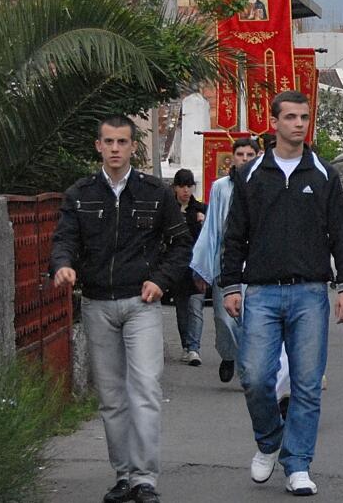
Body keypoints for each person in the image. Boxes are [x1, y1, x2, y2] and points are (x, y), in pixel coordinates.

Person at [220, 90, 343, 496]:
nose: (300, 124)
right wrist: (231, 283)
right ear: (275, 121)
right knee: (255, 377)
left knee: (306, 383)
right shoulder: (250, 175)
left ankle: (298, 463)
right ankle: (269, 441)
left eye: (304, 117)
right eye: (292, 117)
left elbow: (341, 233)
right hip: (261, 292)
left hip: (310, 292)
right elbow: (235, 235)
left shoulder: (323, 174)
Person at [50, 115, 191, 503]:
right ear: (98, 146)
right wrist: (63, 265)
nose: (115, 148)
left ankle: (145, 478)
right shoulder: (79, 194)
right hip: (97, 303)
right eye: (108, 142)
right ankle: (124, 474)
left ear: (133, 147)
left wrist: (160, 280)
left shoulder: (155, 193)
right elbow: (64, 239)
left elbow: (181, 246)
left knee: (144, 388)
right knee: (112, 396)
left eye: (122, 142)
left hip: (141, 304)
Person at [190, 137, 259, 384]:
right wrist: (202, 267)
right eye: (240, 154)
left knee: (251, 320)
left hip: (254, 265)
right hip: (225, 263)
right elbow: (211, 228)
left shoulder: (263, 185)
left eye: (250, 155)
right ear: (233, 157)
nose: (244, 159)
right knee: (224, 318)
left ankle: (246, 368)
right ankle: (228, 355)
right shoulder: (221, 187)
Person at [171, 169, 206, 367]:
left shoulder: (200, 209)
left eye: (189, 186)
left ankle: (194, 348)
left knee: (196, 307)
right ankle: (186, 345)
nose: (185, 190)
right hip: (177, 266)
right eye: (182, 186)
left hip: (197, 265)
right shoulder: (170, 210)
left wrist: (202, 221)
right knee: (181, 308)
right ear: (175, 187)